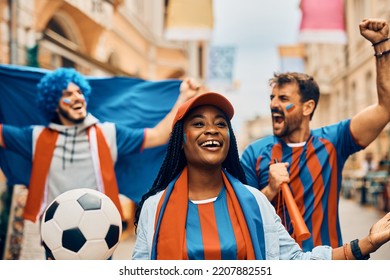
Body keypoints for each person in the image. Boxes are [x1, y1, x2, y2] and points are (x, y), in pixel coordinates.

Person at [131, 91, 390, 260]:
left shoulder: (255, 202)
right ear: (181, 140)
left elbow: (295, 263)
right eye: (198, 124)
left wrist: (365, 244)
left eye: (220, 124)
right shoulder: (155, 209)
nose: (211, 130)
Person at [240, 18, 390, 251]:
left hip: (328, 261)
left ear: (307, 107)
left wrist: (382, 46)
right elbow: (240, 215)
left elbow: (385, 108)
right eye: (272, 98)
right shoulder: (254, 153)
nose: (273, 105)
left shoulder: (333, 140)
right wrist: (269, 190)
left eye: (283, 99)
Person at [0, 67, 201, 224]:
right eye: (67, 94)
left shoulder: (108, 133)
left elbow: (158, 136)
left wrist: (182, 97)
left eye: (79, 92)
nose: (77, 97)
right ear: (54, 103)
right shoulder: (35, 137)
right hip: (55, 232)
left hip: (100, 233)